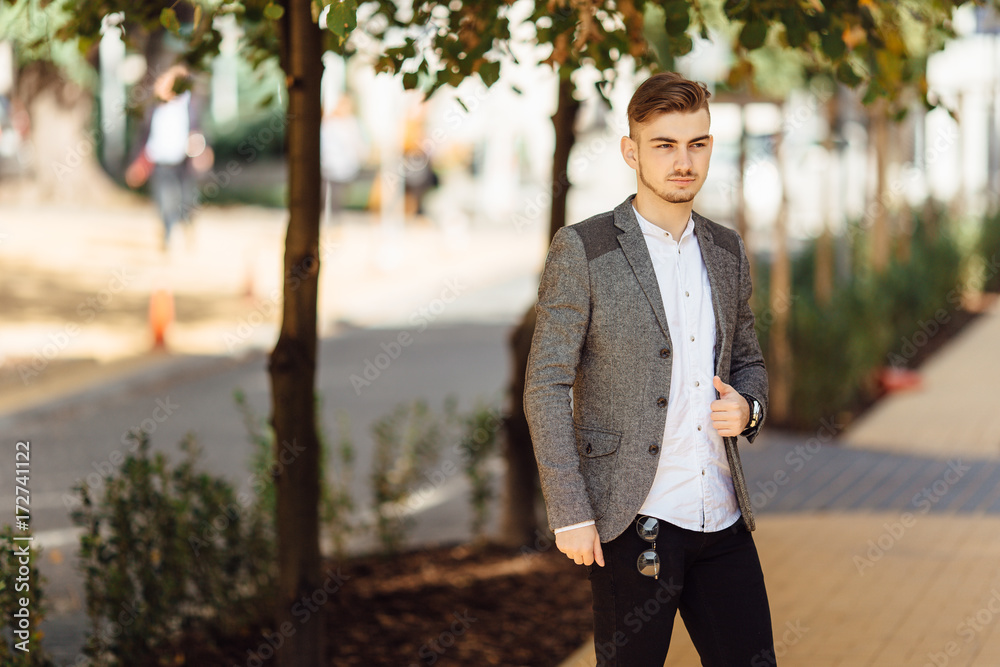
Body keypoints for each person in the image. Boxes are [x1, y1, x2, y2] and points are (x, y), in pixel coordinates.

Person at [524, 71, 774, 666]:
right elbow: (546, 384)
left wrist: (750, 409)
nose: (683, 161)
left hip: (723, 516)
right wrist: (571, 513)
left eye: (697, 143)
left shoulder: (726, 249)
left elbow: (748, 360)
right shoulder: (584, 250)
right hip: (634, 523)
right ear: (631, 151)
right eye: (664, 145)